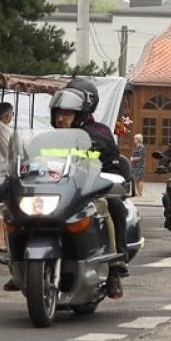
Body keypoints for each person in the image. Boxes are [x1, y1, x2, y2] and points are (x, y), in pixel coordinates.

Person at [50, 77, 132, 297]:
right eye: (59, 113)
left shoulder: (100, 133)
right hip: (57, 192)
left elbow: (113, 167)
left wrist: (110, 181)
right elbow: (33, 162)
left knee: (113, 205)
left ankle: (115, 266)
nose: (61, 118)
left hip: (89, 193)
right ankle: (18, 260)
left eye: (66, 113)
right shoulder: (50, 137)